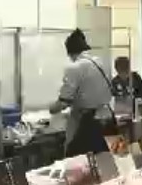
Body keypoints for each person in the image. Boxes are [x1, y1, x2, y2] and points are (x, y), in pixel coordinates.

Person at [49, 29, 115, 157]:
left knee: (77, 160)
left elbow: (64, 102)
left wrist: (52, 108)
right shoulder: (100, 63)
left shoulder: (74, 67)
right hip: (108, 118)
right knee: (107, 159)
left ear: (70, 52)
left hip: (88, 123)